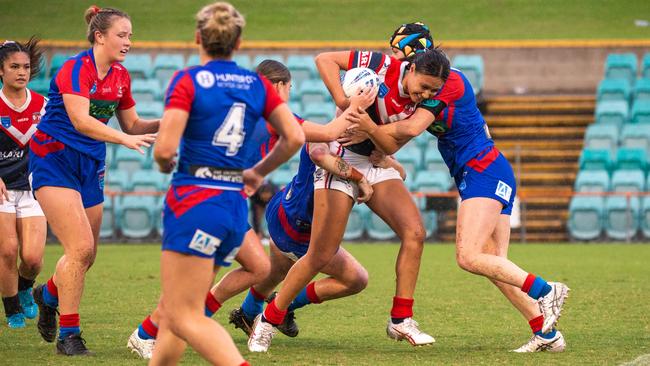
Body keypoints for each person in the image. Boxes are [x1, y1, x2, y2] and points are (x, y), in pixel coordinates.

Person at [345, 47, 570, 352]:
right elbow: (401, 133)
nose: (397, 59)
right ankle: (546, 335)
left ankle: (546, 290)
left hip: (483, 170)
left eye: (401, 52)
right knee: (494, 264)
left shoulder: (447, 81)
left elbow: (409, 128)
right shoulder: (428, 92)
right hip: (487, 169)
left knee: (467, 256)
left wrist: (369, 128)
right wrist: (383, 150)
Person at [247, 42, 452, 354]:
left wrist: (369, 127)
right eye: (423, 87)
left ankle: (401, 319)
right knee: (320, 253)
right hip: (341, 157)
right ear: (410, 69)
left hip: (375, 160)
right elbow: (324, 58)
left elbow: (392, 145)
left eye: (432, 91)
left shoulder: (429, 103)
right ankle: (268, 319)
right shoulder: (381, 66)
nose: (424, 95)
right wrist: (344, 101)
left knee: (415, 233)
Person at [147, 4, 304, 366]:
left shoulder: (188, 80)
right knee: (175, 314)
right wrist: (258, 172)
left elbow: (165, 148)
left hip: (194, 200)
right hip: (233, 204)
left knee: (184, 315)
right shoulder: (256, 84)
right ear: (239, 43)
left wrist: (162, 161)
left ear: (198, 38)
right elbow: (294, 137)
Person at [220, 60, 386, 342]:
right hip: (295, 224)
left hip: (278, 208)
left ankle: (246, 312)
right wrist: (359, 177)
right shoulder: (307, 126)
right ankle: (278, 310)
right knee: (356, 279)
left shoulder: (252, 111)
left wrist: (388, 159)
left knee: (271, 269)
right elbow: (322, 150)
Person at [29, 6, 158, 355]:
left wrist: (174, 120)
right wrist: (124, 141)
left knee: (87, 256)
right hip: (53, 160)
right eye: (122, 34)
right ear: (99, 36)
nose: (128, 41)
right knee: (80, 249)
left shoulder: (120, 75)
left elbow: (133, 125)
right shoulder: (75, 68)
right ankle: (68, 336)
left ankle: (48, 294)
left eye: (130, 35)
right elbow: (81, 121)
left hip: (90, 165)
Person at [0, 37, 47, 329]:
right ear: (1, 71)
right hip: (2, 188)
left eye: (26, 66)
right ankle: (11, 307)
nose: (21, 71)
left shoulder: (44, 106)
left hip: (33, 188)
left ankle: (26, 285)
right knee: (7, 250)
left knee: (32, 258)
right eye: (14, 66)